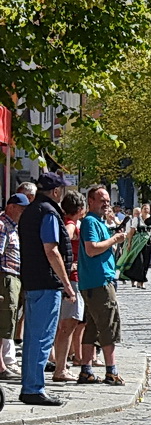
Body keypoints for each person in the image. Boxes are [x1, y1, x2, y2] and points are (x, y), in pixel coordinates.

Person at [17, 174, 75, 406]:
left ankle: (30, 385)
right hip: (46, 283)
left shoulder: (30, 211)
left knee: (32, 338)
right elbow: (51, 250)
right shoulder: (49, 213)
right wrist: (66, 283)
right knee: (42, 338)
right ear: (55, 192)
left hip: (32, 281)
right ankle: (33, 388)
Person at [76, 184, 131, 385]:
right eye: (102, 201)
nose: (106, 204)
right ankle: (111, 371)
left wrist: (113, 231)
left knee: (92, 327)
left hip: (97, 280)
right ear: (90, 201)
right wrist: (114, 239)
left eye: (108, 201)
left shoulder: (99, 222)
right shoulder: (90, 222)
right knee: (109, 326)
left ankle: (86, 370)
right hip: (99, 281)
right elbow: (91, 249)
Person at [50, 189, 86, 383]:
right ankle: (60, 369)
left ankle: (59, 363)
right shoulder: (71, 224)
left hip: (70, 277)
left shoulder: (65, 221)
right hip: (72, 278)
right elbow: (65, 240)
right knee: (68, 324)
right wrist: (69, 263)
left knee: (63, 324)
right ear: (80, 209)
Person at [0, 193, 24, 379]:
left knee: (8, 321)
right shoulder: (3, 226)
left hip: (13, 276)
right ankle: (1, 366)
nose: (23, 213)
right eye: (21, 209)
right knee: (3, 320)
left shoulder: (13, 227)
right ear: (11, 207)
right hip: (5, 276)